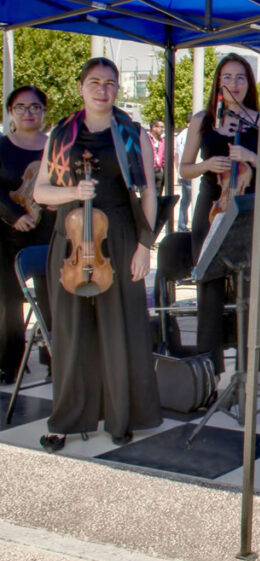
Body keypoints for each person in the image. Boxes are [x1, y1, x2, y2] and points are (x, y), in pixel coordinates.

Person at [33, 58, 164, 451]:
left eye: (110, 83)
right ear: (81, 87)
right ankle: (66, 418)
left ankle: (123, 416)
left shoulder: (133, 133)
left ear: (117, 89)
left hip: (120, 236)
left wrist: (145, 246)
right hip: (71, 239)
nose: (102, 89)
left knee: (120, 327)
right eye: (94, 82)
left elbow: (150, 194)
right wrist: (73, 193)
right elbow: (41, 191)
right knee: (72, 333)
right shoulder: (60, 135)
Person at [178, 53, 260, 374]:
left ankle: (251, 366)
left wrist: (252, 155)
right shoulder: (203, 119)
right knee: (209, 287)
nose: (234, 84)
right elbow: (184, 169)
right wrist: (207, 165)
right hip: (211, 207)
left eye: (240, 78)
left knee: (249, 287)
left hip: (247, 209)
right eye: (227, 77)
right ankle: (209, 367)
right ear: (218, 83)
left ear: (249, 83)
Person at [0, 86, 53, 384]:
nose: (28, 113)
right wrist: (14, 215)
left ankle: (53, 356)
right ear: (11, 112)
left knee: (50, 294)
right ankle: (10, 362)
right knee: (7, 299)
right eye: (21, 107)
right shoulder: (2, 147)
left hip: (47, 227)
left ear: (44, 112)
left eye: (35, 107)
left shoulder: (54, 147)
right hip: (6, 231)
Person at [173, 120, 192, 231]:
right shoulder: (191, 133)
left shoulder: (180, 135)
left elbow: (176, 155)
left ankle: (182, 224)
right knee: (191, 198)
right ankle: (183, 224)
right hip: (192, 171)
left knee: (185, 200)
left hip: (183, 171)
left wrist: (179, 171)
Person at [149, 119, 165, 194]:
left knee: (158, 194)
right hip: (149, 170)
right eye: (160, 127)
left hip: (160, 170)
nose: (162, 129)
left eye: (163, 127)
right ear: (153, 127)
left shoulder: (163, 141)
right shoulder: (146, 139)